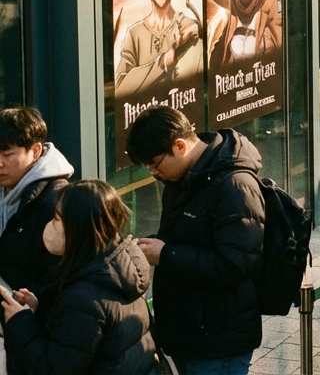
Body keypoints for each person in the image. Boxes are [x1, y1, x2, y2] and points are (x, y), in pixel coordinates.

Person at [126, 107, 265, 373]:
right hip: (188, 332)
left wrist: (166, 254)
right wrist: (152, 246)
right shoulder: (185, 178)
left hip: (218, 340)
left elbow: (236, 264)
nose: (153, 172)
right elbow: (186, 238)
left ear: (180, 146)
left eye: (155, 163)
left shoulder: (235, 184)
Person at [0, 180, 156, 373]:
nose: (50, 224)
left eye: (57, 217)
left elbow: (54, 369)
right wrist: (38, 310)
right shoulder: (117, 265)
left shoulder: (83, 297)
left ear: (77, 227)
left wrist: (20, 322)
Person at [0, 106, 74, 297]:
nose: (0, 163)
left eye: (7, 155)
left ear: (35, 151)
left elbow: (55, 276)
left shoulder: (56, 201)